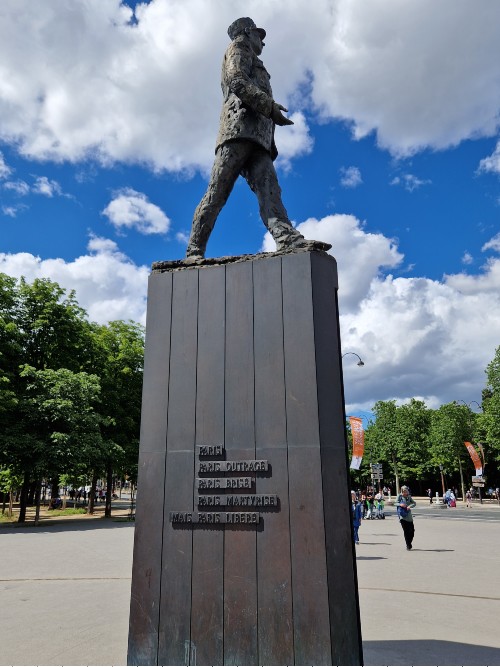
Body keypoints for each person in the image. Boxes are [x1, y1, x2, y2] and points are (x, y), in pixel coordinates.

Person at [186, 17, 331, 260]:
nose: (262, 41)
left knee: (270, 188)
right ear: (247, 33)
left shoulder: (254, 58)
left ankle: (287, 239)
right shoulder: (238, 48)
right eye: (259, 35)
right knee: (217, 193)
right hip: (237, 131)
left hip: (257, 138)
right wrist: (269, 106)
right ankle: (194, 250)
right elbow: (237, 79)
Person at [395, 485, 416, 550]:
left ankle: (409, 542)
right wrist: (400, 504)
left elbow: (414, 503)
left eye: (406, 491)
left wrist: (410, 506)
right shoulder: (399, 496)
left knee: (412, 531)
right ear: (402, 491)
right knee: (406, 531)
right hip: (402, 516)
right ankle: (408, 545)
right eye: (404, 491)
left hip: (409, 516)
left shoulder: (409, 497)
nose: (406, 493)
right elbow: (395, 503)